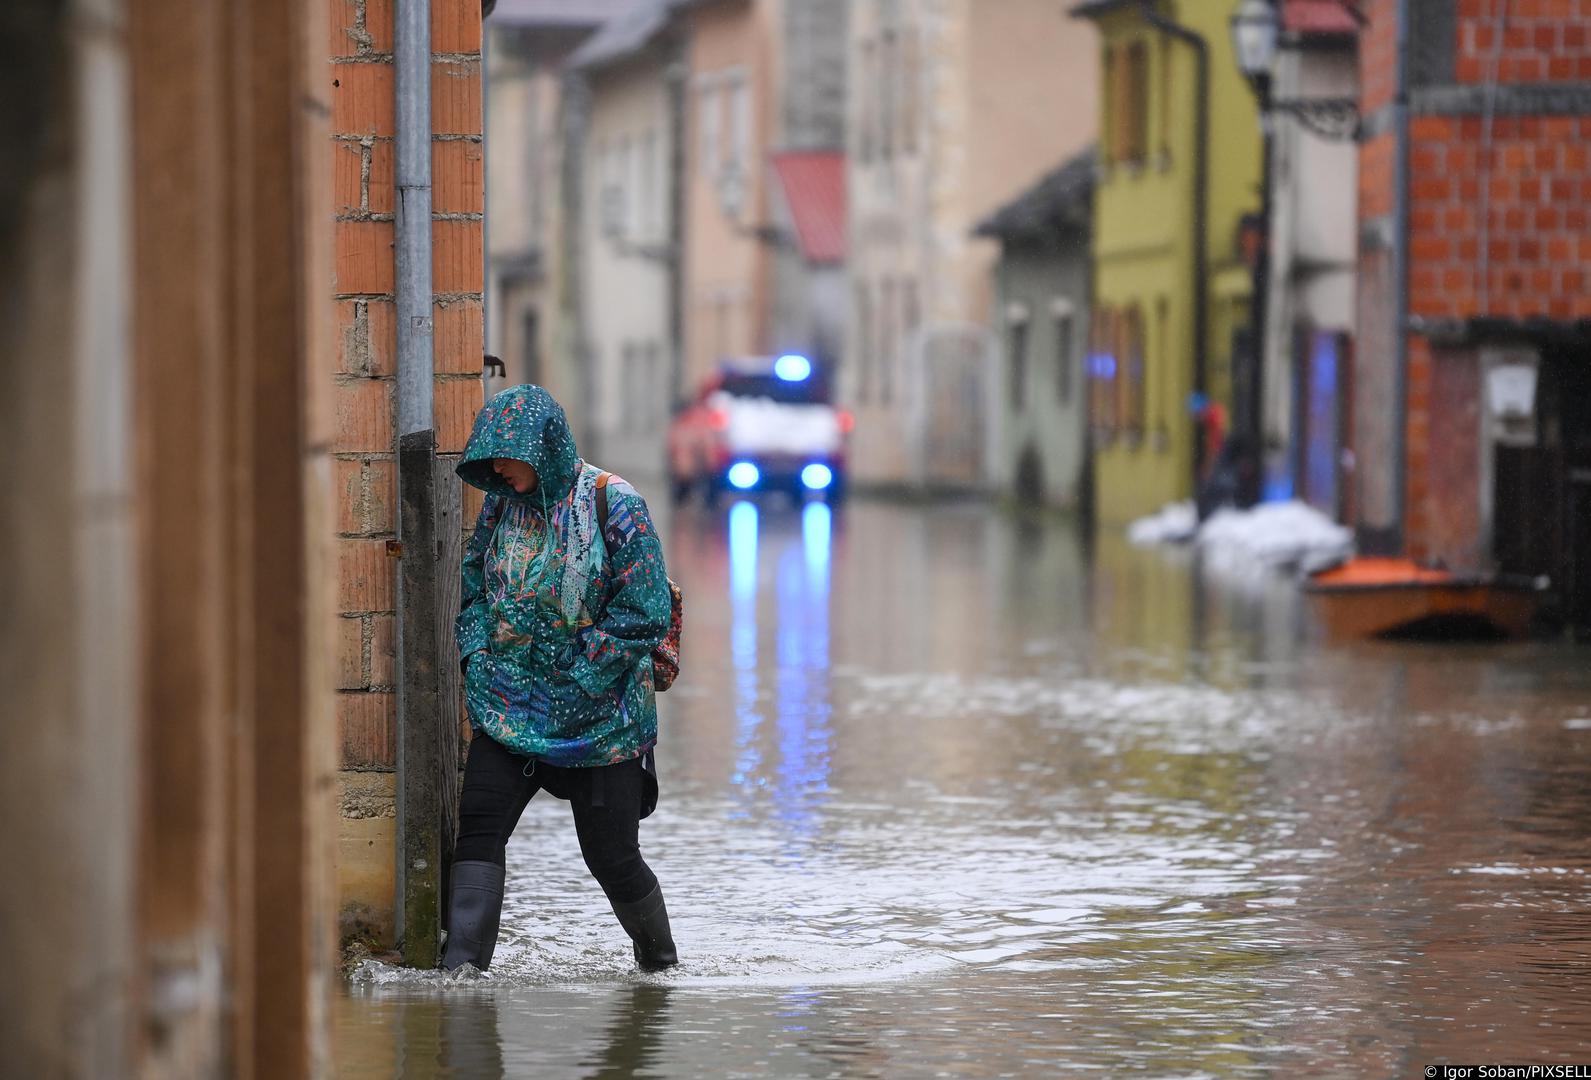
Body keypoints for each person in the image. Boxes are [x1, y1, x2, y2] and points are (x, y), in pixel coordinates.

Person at [442, 384, 678, 973]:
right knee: (479, 828)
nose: (497, 465)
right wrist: (478, 658)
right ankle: (461, 976)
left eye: (507, 452)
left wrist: (579, 678)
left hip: (601, 723)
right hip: (508, 709)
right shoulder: (500, 505)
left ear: (541, 447)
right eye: (489, 454)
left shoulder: (614, 503)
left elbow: (644, 611)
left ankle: (661, 969)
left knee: (611, 855)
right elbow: (473, 586)